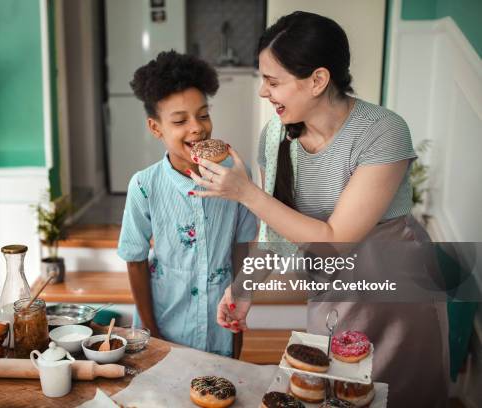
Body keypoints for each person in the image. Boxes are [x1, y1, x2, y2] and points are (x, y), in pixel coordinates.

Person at [188, 11, 449, 407]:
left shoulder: (382, 131)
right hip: (332, 291)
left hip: (396, 296)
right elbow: (276, 228)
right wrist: (244, 288)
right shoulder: (276, 134)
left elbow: (337, 239)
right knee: (329, 392)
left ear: (318, 80)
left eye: (273, 81)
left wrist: (246, 193)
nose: (263, 92)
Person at [117, 50, 257, 357]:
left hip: (219, 318)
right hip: (166, 316)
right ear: (156, 128)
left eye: (203, 114)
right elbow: (135, 259)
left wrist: (236, 318)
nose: (197, 127)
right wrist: (150, 331)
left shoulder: (237, 177)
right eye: (180, 120)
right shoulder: (144, 185)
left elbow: (241, 247)